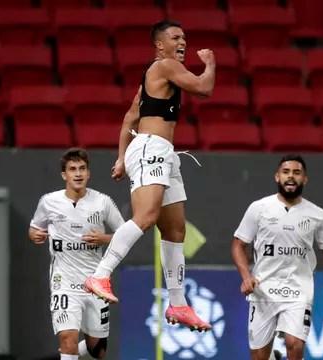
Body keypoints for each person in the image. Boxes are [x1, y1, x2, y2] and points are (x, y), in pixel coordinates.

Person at [84, 19, 216, 332]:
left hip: (162, 152)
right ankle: (100, 274)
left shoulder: (153, 78)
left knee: (175, 231)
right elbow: (204, 88)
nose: (182, 41)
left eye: (184, 36)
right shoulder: (166, 65)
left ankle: (179, 304)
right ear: (159, 45)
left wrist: (120, 158)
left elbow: (130, 116)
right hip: (151, 148)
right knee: (146, 216)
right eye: (175, 37)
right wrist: (210, 63)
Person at [231, 154, 323, 360]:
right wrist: (246, 276)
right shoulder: (259, 208)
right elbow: (238, 244)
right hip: (263, 289)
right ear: (277, 177)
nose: (291, 177)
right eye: (286, 172)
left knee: (294, 345)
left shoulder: (317, 214)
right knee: (259, 356)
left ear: (304, 179)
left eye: (297, 173)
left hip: (299, 290)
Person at [29, 148, 125, 360]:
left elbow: (127, 234)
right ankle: (66, 353)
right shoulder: (48, 202)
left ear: (89, 173)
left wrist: (103, 239)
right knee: (67, 338)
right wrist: (34, 235)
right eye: (72, 169)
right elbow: (34, 228)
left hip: (94, 283)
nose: (78, 174)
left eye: (82, 169)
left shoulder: (103, 202)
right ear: (64, 175)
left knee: (96, 350)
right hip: (63, 282)